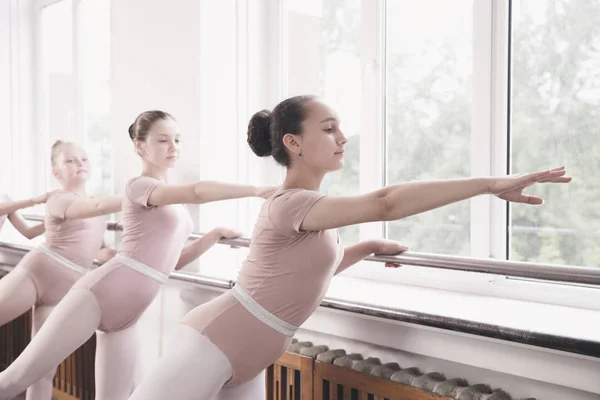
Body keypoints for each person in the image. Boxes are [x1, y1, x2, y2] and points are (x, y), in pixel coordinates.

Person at [127, 95, 572, 400]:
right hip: (214, 340)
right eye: (329, 128)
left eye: (340, 128)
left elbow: (300, 274)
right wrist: (489, 184)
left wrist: (367, 247)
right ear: (293, 143)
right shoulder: (291, 203)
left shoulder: (313, 212)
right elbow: (387, 202)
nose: (342, 137)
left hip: (250, 349)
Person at [0, 110, 277, 400]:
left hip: (129, 313)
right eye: (163, 140)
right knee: (14, 380)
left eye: (177, 140)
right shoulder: (139, 186)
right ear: (140, 146)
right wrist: (256, 189)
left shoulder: (175, 207)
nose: (173, 147)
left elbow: (166, 264)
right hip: (98, 294)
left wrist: (212, 237)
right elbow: (196, 192)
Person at [0, 140, 120, 400]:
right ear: (56, 172)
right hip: (38, 272)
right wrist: (28, 201)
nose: (79, 163)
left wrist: (124, 256)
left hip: (66, 288)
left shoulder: (97, 208)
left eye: (84, 159)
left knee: (42, 370)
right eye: (70, 160)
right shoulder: (59, 198)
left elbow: (96, 248)